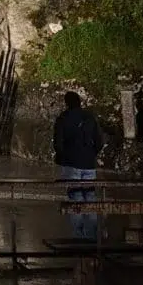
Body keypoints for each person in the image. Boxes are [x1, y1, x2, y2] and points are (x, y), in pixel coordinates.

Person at [53, 91, 103, 240]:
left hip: (71, 163)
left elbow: (58, 143)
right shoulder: (90, 117)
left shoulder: (63, 118)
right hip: (88, 163)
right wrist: (91, 154)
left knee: (75, 197)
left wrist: (64, 156)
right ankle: (92, 235)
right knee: (90, 196)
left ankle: (79, 235)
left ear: (67, 103)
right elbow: (99, 141)